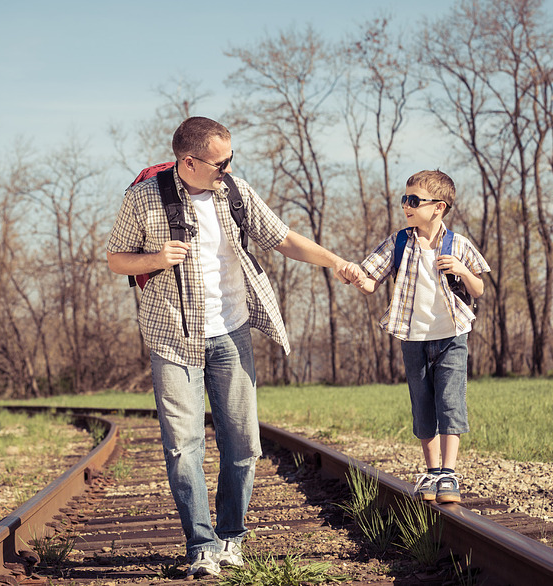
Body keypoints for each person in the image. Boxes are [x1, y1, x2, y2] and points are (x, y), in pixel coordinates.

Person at [106, 116, 354, 578]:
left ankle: (231, 537)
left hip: (231, 332)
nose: (228, 168)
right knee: (184, 446)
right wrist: (157, 260)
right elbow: (115, 258)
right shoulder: (143, 198)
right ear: (189, 161)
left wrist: (336, 262)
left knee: (242, 444)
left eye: (230, 159)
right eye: (221, 162)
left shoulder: (233, 191)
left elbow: (283, 239)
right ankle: (201, 545)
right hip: (173, 337)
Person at [340, 170, 490, 505]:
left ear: (438, 207)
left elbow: (478, 288)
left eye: (414, 201)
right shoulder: (399, 242)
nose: (406, 205)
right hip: (413, 337)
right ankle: (432, 470)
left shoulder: (459, 244)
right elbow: (369, 282)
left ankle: (449, 472)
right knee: (422, 404)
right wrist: (353, 275)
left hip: (451, 336)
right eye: (405, 199)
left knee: (450, 402)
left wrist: (463, 270)